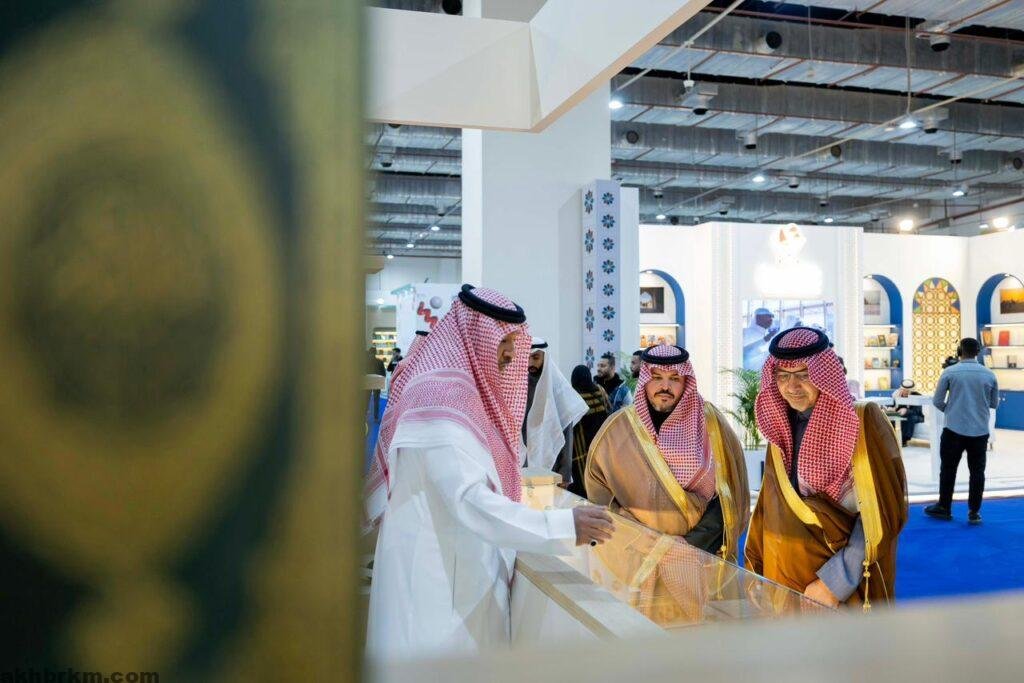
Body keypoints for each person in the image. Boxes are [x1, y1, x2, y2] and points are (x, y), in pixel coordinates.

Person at [365, 285, 613, 661]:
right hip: (435, 583)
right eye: (504, 340)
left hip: (459, 573)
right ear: (473, 336)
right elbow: (469, 501)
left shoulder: (461, 394)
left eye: (515, 341)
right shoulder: (440, 401)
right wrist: (563, 525)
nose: (513, 352)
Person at [744, 327, 907, 610]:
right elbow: (769, 505)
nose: (792, 387)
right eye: (782, 376)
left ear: (825, 374)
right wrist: (756, 566)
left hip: (835, 589)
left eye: (804, 375)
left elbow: (882, 510)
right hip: (782, 576)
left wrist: (835, 583)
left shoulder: (863, 422)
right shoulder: (779, 429)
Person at [584, 345, 750, 560]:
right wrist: (637, 535)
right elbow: (599, 492)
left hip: (697, 554)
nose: (665, 386)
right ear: (645, 380)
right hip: (636, 554)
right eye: (656, 378)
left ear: (686, 382)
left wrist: (691, 543)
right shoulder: (617, 428)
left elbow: (731, 490)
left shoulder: (711, 423)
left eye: (674, 378)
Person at [925, 338, 999, 524]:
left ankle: (944, 507)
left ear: (960, 351)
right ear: (978, 352)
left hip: (953, 430)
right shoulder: (990, 375)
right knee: (977, 472)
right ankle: (974, 512)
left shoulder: (950, 372)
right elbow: (994, 403)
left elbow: (937, 401)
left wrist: (951, 411)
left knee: (948, 469)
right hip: (979, 431)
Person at [522, 338, 588, 486]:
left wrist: (565, 472)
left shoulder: (558, 387)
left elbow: (566, 431)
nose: (530, 363)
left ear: (545, 357)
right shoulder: (519, 384)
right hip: (524, 460)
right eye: (527, 358)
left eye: (535, 357)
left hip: (552, 460)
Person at [568, 365, 612, 498]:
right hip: (602, 442)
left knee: (583, 478)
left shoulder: (574, 397)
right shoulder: (600, 390)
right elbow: (609, 410)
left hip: (581, 448)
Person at [891, 379, 924, 448]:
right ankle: (891, 439)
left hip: (916, 416)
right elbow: (892, 406)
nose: (905, 392)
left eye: (907, 391)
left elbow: (916, 411)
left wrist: (906, 410)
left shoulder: (917, 396)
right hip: (900, 414)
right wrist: (891, 408)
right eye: (903, 390)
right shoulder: (896, 394)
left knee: (909, 417)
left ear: (911, 391)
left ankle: (904, 440)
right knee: (891, 416)